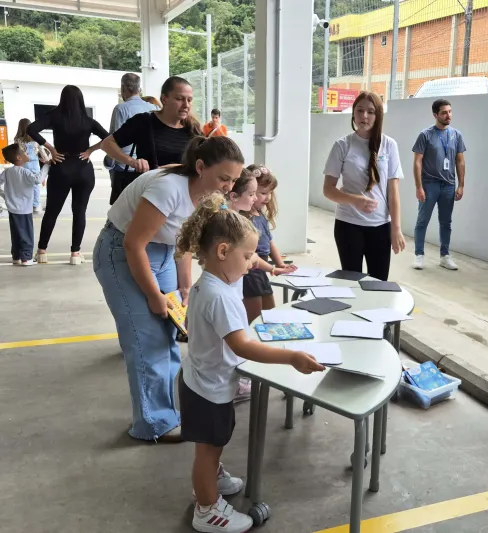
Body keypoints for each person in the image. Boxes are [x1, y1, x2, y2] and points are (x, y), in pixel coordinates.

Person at [175, 192, 324, 533]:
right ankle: (207, 509)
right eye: (245, 256)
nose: (250, 263)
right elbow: (242, 345)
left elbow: (250, 262)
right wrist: (291, 357)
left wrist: (261, 261)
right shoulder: (218, 296)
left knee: (214, 444)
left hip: (204, 380)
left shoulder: (217, 277)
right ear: (223, 252)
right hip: (207, 388)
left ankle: (210, 482)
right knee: (207, 451)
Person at [93, 136, 244, 443]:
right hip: (123, 253)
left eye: (234, 180)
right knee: (146, 339)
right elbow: (133, 243)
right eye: (224, 178)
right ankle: (153, 425)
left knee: (170, 335)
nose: (229, 187)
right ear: (200, 167)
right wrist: (153, 295)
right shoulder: (169, 188)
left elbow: (184, 242)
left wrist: (184, 288)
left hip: (162, 252)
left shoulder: (208, 194)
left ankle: (166, 411)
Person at [323, 91, 405, 281]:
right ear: (353, 113)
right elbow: (328, 190)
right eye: (360, 111)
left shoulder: (389, 145)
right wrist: (354, 200)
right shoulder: (342, 145)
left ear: (378, 116)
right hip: (348, 225)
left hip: (380, 226)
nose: (364, 116)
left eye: (371, 111)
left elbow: (393, 192)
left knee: (378, 283)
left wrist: (396, 228)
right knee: (351, 283)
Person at [27, 85, 110, 266]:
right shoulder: (88, 121)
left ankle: (42, 251)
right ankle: (75, 253)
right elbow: (109, 137)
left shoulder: (54, 117)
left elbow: (31, 129)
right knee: (79, 212)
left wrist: (51, 149)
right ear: (80, 101)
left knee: (52, 211)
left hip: (61, 166)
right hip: (83, 169)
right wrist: (90, 151)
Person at [101, 76, 202, 203]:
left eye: (189, 100)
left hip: (183, 199)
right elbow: (107, 144)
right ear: (164, 99)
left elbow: (205, 165)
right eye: (179, 99)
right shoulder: (144, 122)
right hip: (151, 197)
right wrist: (132, 161)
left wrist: (176, 167)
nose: (186, 105)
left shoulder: (193, 129)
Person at [411, 98, 466, 271]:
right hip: (429, 184)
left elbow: (460, 161)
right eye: (444, 112)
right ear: (435, 115)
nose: (448, 115)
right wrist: (419, 187)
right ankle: (419, 255)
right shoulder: (426, 135)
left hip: (449, 185)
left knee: (446, 222)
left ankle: (444, 256)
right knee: (422, 221)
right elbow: (417, 162)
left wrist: (461, 185)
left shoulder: (456, 135)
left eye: (450, 111)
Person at [240, 165, 296, 324]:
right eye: (263, 193)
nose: (268, 197)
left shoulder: (260, 215)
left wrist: (280, 264)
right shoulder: (243, 218)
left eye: (270, 193)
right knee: (254, 318)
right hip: (251, 270)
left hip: (262, 270)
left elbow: (270, 242)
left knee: (270, 314)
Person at [106, 73, 158, 205]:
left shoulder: (120, 109)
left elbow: (114, 141)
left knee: (121, 208)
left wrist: (109, 163)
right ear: (139, 89)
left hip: (124, 166)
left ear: (123, 88)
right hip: (148, 168)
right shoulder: (154, 108)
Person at [0, 144, 41, 266]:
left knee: (16, 233)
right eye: (25, 152)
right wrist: (47, 167)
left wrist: (4, 195)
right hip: (24, 210)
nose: (27, 154)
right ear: (19, 157)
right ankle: (27, 258)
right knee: (26, 234)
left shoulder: (7, 172)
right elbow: (37, 180)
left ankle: (16, 256)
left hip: (12, 209)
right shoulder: (25, 172)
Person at [13, 118, 48, 214]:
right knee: (35, 186)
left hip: (23, 165)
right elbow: (43, 153)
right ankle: (35, 205)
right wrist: (46, 162)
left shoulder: (17, 140)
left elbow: (17, 154)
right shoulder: (35, 139)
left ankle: (26, 204)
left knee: (24, 185)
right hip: (35, 166)